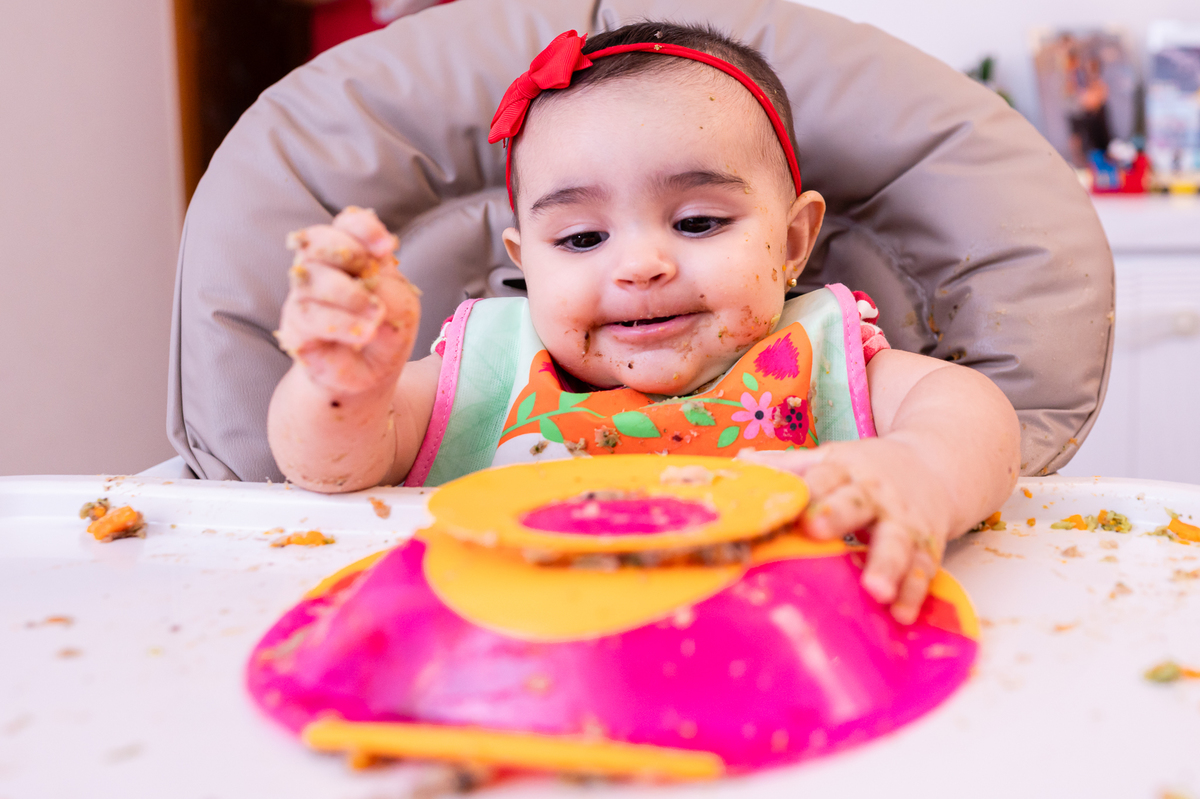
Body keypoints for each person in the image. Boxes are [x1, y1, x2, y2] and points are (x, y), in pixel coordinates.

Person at [267, 22, 1021, 624]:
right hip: (517, 670)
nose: (640, 266)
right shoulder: (487, 368)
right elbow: (333, 467)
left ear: (792, 241)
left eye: (697, 222)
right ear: (526, 262)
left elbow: (975, 415)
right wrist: (344, 385)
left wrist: (921, 470)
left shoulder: (823, 353)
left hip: (782, 658)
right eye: (581, 238)